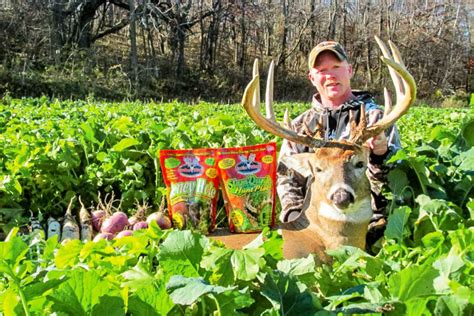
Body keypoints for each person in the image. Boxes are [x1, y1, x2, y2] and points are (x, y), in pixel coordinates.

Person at [277, 40, 400, 229]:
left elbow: (396, 183)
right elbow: (286, 176)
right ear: (312, 77)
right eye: (322, 70)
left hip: (368, 224)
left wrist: (380, 155)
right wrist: (294, 214)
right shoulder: (299, 127)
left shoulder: (376, 120)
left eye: (336, 67)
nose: (330, 75)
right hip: (315, 226)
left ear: (349, 70)